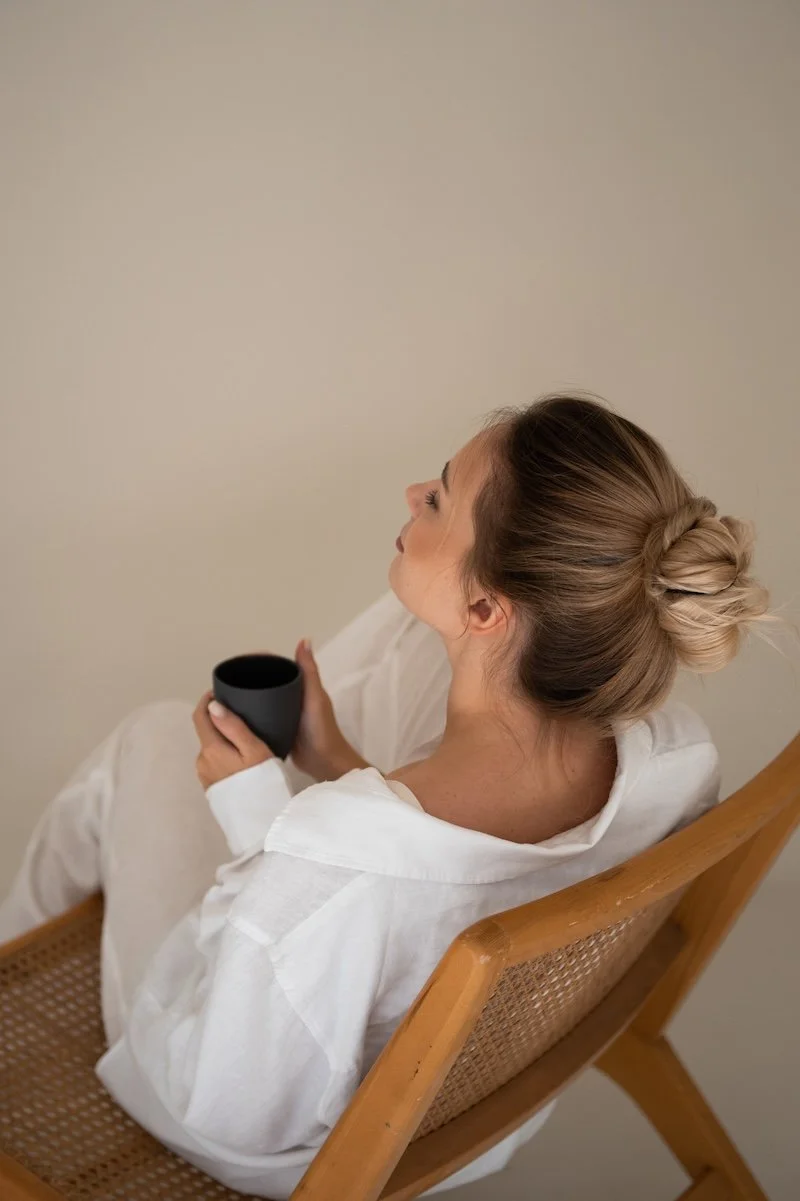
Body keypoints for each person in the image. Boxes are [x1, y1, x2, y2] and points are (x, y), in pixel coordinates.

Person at [0, 395, 770, 1198]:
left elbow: (231, 1105)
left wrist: (263, 821)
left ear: (484, 608)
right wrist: (338, 767)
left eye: (439, 496)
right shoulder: (673, 763)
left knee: (149, 737)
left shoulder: (336, 857)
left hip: (292, 1147)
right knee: (166, 737)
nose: (411, 493)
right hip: (473, 1112)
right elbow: (435, 878)